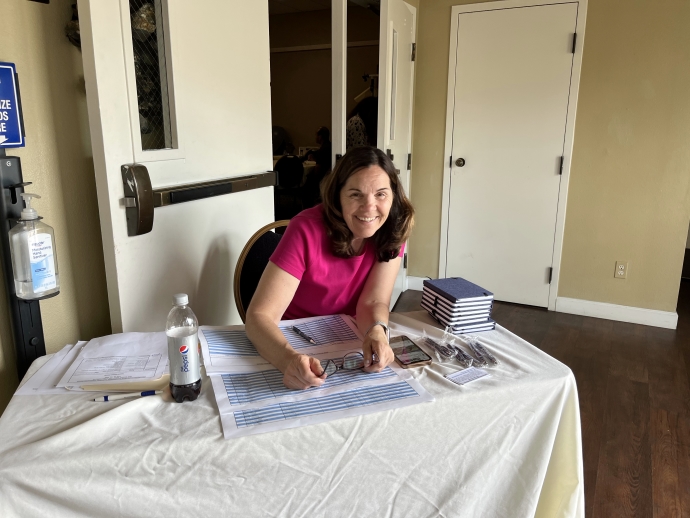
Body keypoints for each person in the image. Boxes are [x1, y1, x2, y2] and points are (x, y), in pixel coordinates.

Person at [246, 146, 414, 390]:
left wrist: (377, 331)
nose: (370, 207)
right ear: (337, 196)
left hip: (345, 341)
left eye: (381, 194)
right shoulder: (305, 229)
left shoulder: (392, 228)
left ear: (393, 196)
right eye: (355, 194)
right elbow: (258, 317)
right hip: (292, 339)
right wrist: (287, 360)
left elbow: (373, 302)